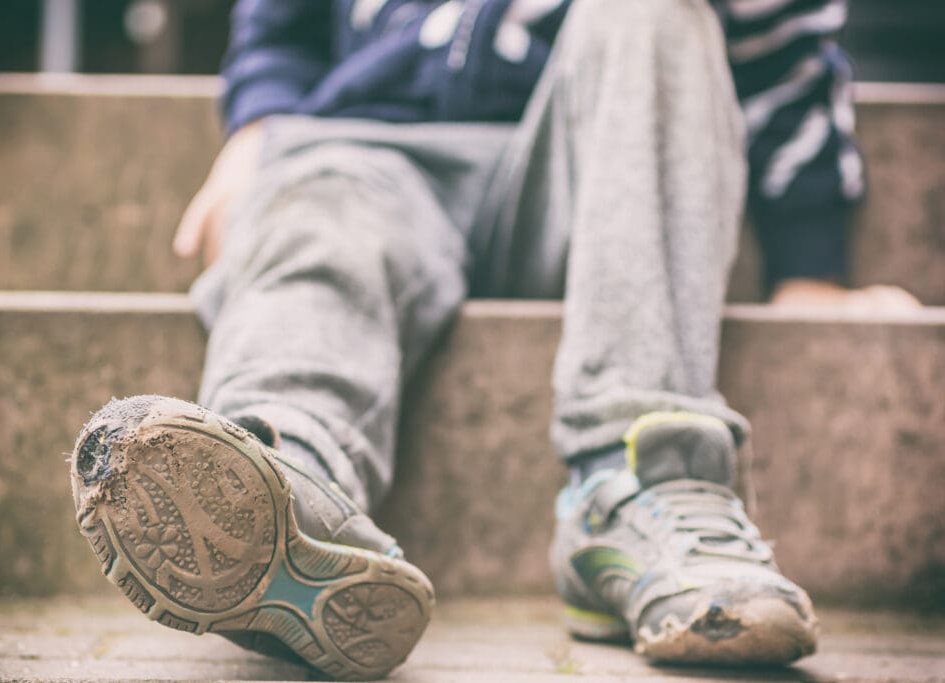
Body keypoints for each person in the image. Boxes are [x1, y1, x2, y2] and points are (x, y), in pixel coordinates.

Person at [69, 0, 918, 679]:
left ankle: (641, 481)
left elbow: (782, 37)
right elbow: (283, 18)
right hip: (371, 141)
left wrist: (813, 260)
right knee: (318, 223)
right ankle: (284, 482)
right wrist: (261, 121)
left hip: (592, 162)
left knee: (658, 12)